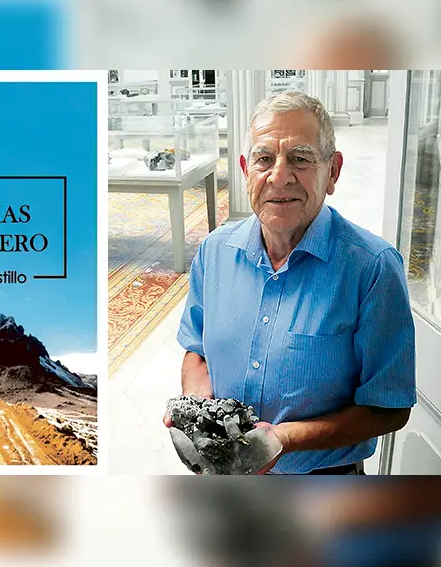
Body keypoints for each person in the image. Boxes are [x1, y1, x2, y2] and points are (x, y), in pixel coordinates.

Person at [170, 91, 416, 474]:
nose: (279, 176)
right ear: (245, 169)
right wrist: (200, 409)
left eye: (300, 159)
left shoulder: (373, 269)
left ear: (332, 171)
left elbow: (389, 407)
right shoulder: (214, 253)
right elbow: (196, 350)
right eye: (264, 159)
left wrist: (285, 439)